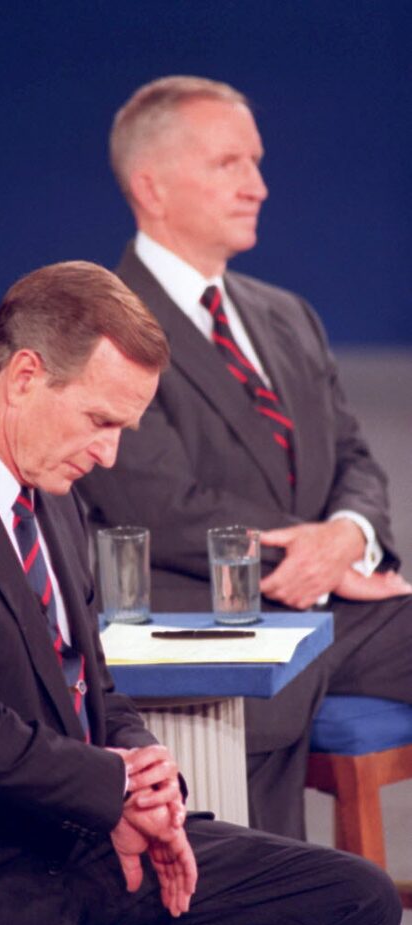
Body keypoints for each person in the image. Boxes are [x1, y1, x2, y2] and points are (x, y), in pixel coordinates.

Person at [0, 261, 401, 925]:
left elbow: (94, 689)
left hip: (65, 843)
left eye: (123, 431)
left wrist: (149, 778)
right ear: (25, 377)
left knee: (352, 896)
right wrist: (116, 793)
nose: (108, 456)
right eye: (99, 420)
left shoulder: (52, 497)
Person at [76, 75, 412, 839]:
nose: (258, 186)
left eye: (257, 163)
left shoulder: (286, 315)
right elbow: (157, 503)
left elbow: (356, 455)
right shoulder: (101, 325)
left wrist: (350, 535)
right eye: (231, 164)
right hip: (205, 618)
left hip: (331, 611)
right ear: (151, 187)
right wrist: (315, 550)